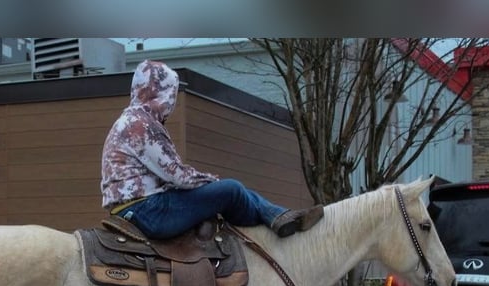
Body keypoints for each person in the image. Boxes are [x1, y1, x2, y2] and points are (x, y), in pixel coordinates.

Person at [100, 59, 324, 240]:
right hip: (148, 211)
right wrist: (211, 181)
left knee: (225, 191)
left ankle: (277, 215)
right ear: (160, 92)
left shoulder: (128, 120)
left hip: (131, 209)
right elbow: (178, 176)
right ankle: (270, 228)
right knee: (231, 190)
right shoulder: (142, 124)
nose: (172, 103)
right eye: (171, 94)